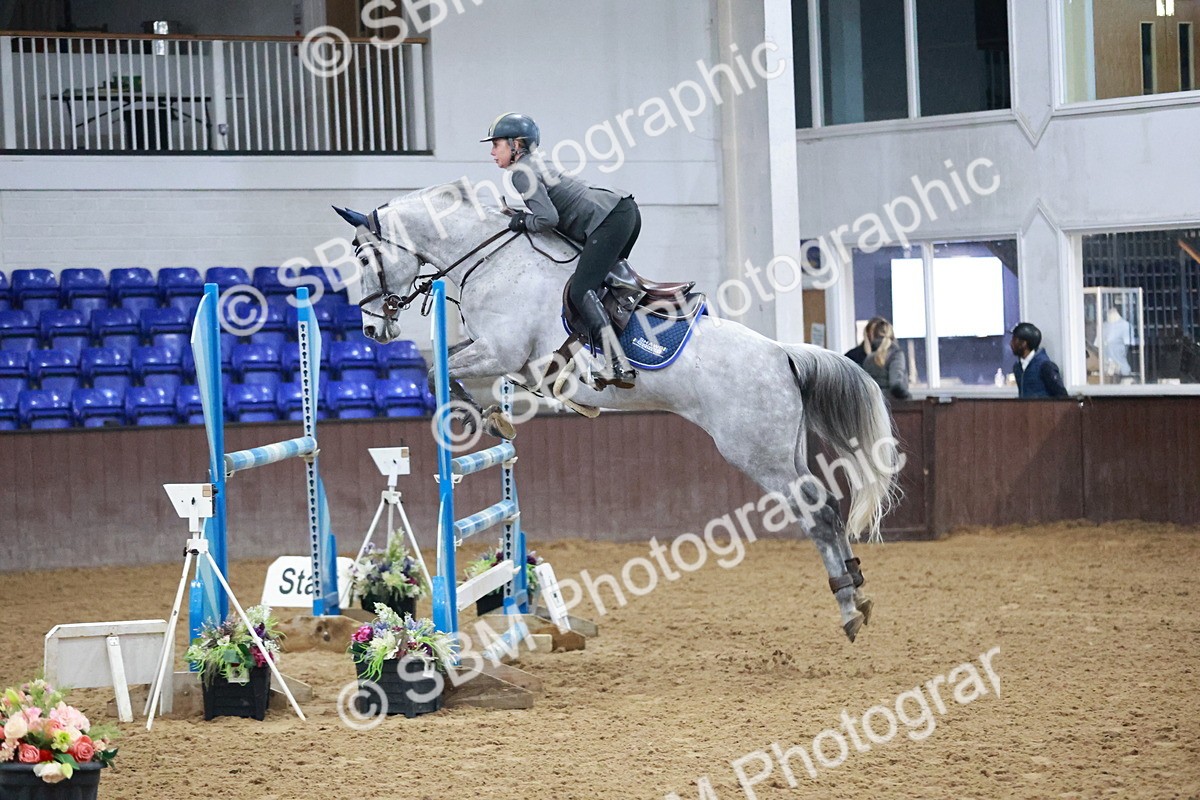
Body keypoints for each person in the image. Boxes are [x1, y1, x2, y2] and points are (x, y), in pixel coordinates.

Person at [481, 112, 639, 388]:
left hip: (609, 219)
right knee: (594, 284)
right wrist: (521, 214)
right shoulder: (533, 164)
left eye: (497, 144)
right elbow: (550, 212)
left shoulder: (520, 173)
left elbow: (547, 220)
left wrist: (521, 221)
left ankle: (618, 364)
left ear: (517, 144)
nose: (492, 152)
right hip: (622, 212)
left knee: (580, 290)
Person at [1010, 322, 1068, 398]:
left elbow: (1062, 396)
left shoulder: (1045, 366)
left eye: (1014, 340)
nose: (1011, 343)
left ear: (1024, 343)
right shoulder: (1017, 367)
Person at [858, 319, 911, 400]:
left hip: (874, 406)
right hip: (895, 406)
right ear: (892, 336)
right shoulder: (896, 355)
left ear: (873, 336)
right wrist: (907, 396)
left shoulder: (868, 358)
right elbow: (896, 384)